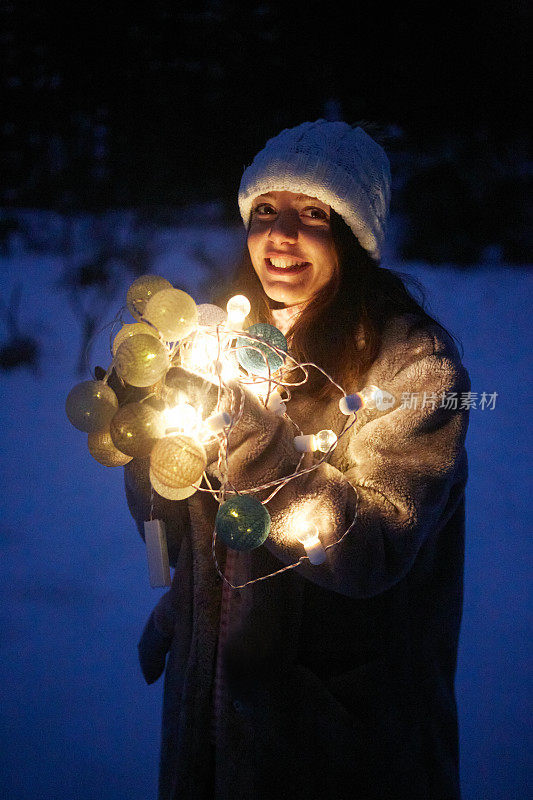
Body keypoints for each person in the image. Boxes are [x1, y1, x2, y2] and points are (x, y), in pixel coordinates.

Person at [124, 120, 470, 800]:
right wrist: (151, 451)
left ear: (352, 232)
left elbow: (366, 547)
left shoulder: (410, 365)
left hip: (334, 731)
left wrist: (249, 437)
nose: (279, 236)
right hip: (212, 706)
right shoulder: (224, 341)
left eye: (312, 214)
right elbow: (184, 513)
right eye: (264, 212)